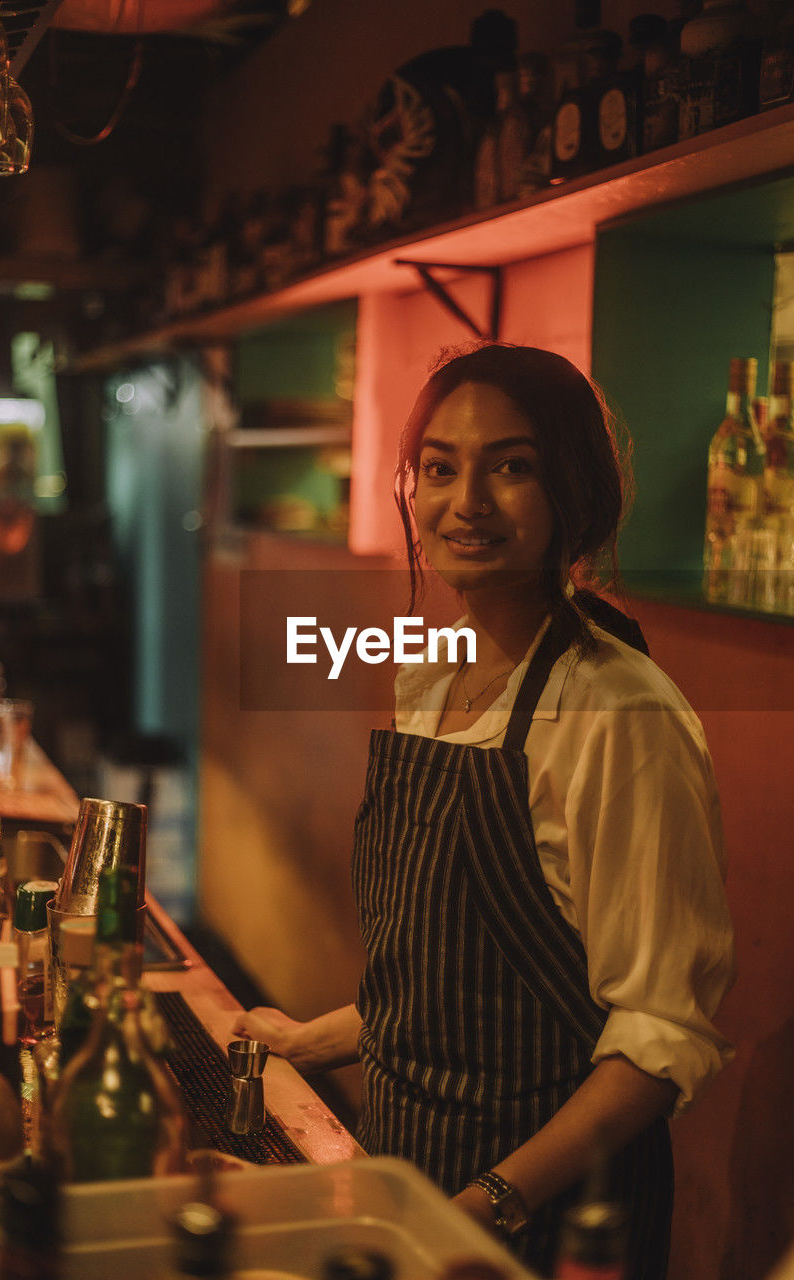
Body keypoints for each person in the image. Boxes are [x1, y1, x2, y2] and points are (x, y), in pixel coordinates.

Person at [232, 343, 736, 1279]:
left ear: (572, 492)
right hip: (410, 1179)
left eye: (511, 466)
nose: (466, 500)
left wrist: (484, 1204)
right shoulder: (427, 677)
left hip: (547, 1216)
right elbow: (450, 981)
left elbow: (660, 1039)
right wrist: (313, 1039)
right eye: (438, 467)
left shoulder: (618, 712)